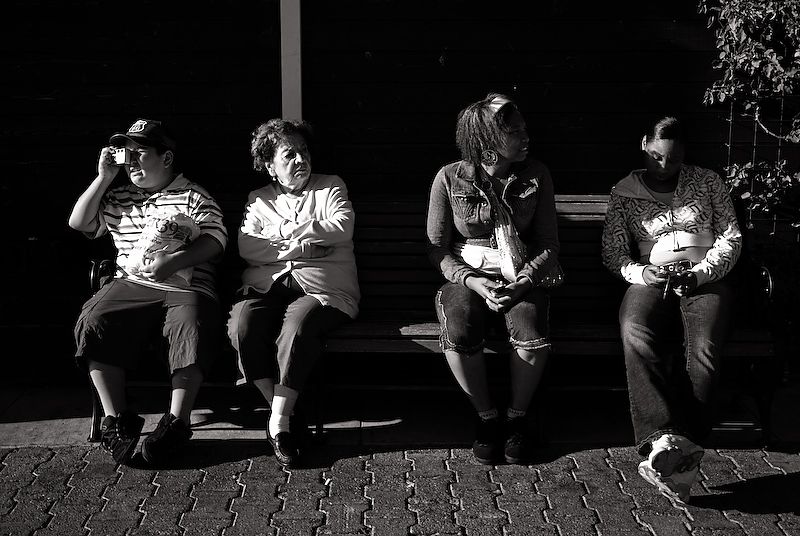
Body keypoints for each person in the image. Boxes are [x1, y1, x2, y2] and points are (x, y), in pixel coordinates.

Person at [69, 118, 228, 466]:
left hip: (185, 286)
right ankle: (117, 420)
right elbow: (79, 223)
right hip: (132, 284)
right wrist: (103, 177)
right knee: (94, 319)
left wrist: (176, 261)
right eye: (126, 154)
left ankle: (177, 422)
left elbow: (216, 240)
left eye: (139, 153)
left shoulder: (193, 195)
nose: (131, 162)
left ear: (166, 158)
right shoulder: (118, 196)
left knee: (190, 325)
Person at [601, 116, 742, 503]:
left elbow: (730, 237)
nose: (664, 166)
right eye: (656, 156)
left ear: (684, 154)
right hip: (652, 279)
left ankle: (680, 447)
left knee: (704, 348)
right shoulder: (625, 192)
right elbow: (613, 252)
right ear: (643, 145)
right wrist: (642, 273)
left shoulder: (707, 181)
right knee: (635, 330)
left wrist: (700, 275)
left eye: (674, 159)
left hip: (705, 279)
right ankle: (660, 439)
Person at [426, 93, 560, 464]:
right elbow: (436, 248)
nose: (525, 137)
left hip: (521, 275)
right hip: (468, 277)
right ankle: (486, 418)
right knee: (459, 325)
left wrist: (524, 282)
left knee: (530, 326)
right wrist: (471, 281)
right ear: (487, 140)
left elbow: (548, 244)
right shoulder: (450, 177)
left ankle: (516, 419)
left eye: (524, 129)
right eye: (515, 132)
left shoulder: (536, 174)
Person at [227, 119, 359, 468]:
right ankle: (284, 409)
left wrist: (279, 232)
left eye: (304, 151)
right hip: (266, 285)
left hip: (323, 288)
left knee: (297, 326)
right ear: (270, 165)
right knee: (242, 325)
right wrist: (304, 246)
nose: (301, 159)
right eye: (290, 154)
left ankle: (279, 424)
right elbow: (247, 246)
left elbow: (340, 228)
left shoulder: (330, 187)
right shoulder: (258, 199)